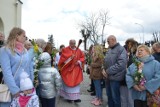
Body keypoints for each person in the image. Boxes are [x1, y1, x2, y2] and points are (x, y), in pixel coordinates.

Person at [0, 27, 34, 107]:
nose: (25, 38)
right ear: (16, 36)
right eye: (23, 36)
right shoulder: (4, 50)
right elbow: (6, 72)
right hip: (11, 88)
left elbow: (29, 67)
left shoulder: (25, 50)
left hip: (24, 88)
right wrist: (14, 90)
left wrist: (30, 83)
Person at [102, 35, 128, 107]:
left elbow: (121, 65)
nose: (107, 43)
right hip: (108, 78)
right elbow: (105, 61)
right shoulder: (109, 49)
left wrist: (107, 71)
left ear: (113, 40)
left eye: (108, 41)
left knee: (116, 98)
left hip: (115, 78)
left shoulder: (121, 49)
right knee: (109, 97)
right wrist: (103, 69)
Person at [120, 38, 138, 107]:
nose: (129, 46)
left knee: (130, 100)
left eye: (130, 44)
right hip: (122, 79)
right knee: (123, 99)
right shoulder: (123, 53)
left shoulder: (135, 55)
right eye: (128, 44)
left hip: (130, 81)